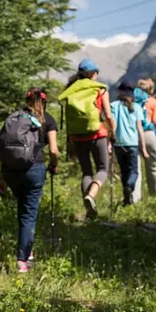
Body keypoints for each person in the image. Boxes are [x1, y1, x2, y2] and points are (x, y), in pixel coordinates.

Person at [0, 87, 59, 273]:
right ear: (44, 102)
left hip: (11, 172)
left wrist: (1, 177)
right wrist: (54, 165)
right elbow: (54, 150)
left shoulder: (15, 118)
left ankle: (27, 250)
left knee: (23, 211)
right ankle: (23, 260)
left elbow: (5, 148)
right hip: (34, 170)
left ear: (27, 101)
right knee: (29, 214)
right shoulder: (47, 120)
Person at [60, 59, 116, 219]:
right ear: (93, 73)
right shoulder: (100, 89)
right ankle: (91, 196)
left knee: (86, 172)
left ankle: (88, 210)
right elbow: (108, 115)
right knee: (103, 169)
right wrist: (113, 134)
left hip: (77, 137)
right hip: (97, 134)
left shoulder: (72, 90)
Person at [111, 82, 149, 206]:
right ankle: (129, 187)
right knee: (134, 171)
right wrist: (143, 149)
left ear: (119, 92)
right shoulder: (136, 107)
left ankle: (126, 199)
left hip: (118, 143)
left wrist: (110, 141)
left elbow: (113, 125)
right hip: (132, 143)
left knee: (124, 171)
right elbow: (140, 129)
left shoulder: (114, 106)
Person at [134, 78, 156, 198]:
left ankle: (135, 197)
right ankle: (155, 193)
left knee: (136, 167)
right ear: (150, 89)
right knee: (153, 166)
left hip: (134, 134)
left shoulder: (132, 101)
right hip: (148, 134)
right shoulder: (154, 102)